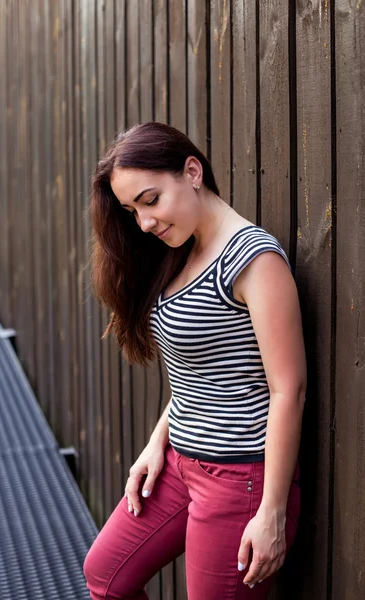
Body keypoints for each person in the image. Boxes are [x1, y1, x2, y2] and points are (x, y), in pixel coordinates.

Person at [83, 122, 306, 600]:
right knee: (106, 576)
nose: (143, 222)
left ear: (191, 171)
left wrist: (271, 510)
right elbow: (198, 374)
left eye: (150, 200)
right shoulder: (179, 252)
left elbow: (289, 389)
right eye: (131, 211)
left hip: (239, 480)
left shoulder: (252, 259)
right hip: (179, 465)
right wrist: (155, 444)